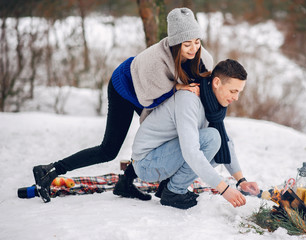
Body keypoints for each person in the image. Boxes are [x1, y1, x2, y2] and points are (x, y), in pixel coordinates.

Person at [32, 7, 213, 203]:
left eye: (197, 42)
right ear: (175, 44)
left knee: (170, 132)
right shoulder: (156, 63)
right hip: (126, 88)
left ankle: (129, 184)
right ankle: (49, 170)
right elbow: (149, 102)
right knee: (108, 150)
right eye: (187, 44)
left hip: (152, 89)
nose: (194, 49)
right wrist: (177, 87)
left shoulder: (201, 58)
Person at [131, 59, 260, 209]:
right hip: (147, 162)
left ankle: (169, 185)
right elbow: (191, 151)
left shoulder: (212, 104)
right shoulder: (189, 99)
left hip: (165, 156)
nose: (236, 98)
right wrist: (224, 189)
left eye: (239, 92)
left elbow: (226, 142)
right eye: (233, 91)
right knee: (212, 138)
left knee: (219, 145)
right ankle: (173, 192)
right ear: (217, 83)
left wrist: (241, 181)